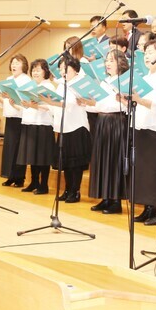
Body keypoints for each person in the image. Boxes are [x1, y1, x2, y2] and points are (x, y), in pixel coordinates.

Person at [121, 39, 156, 226]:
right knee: (141, 171)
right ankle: (147, 208)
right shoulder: (145, 78)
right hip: (140, 126)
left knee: (154, 171)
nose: (147, 55)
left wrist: (139, 100)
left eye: (151, 52)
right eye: (146, 52)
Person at [82, 50, 129, 214]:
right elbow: (98, 105)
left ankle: (116, 201)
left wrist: (122, 99)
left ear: (120, 63)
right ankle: (105, 197)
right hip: (102, 122)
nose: (107, 63)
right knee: (102, 159)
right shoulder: (104, 82)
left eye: (111, 60)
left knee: (114, 160)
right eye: (107, 61)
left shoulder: (125, 81)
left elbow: (129, 106)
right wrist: (86, 102)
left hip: (117, 122)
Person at [47, 56, 91, 203]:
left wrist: (51, 101)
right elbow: (56, 106)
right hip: (64, 127)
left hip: (77, 127)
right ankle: (67, 190)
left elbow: (70, 103)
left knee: (75, 163)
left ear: (75, 70)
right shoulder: (61, 84)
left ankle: (75, 191)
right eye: (60, 69)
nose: (62, 72)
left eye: (66, 69)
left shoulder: (81, 83)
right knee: (65, 162)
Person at [16, 59, 56, 194]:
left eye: (38, 70)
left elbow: (50, 107)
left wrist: (35, 105)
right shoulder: (29, 86)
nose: (35, 72)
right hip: (30, 123)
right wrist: (13, 102)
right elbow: (23, 106)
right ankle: (34, 182)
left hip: (43, 125)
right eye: (33, 70)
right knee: (32, 156)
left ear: (45, 71)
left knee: (43, 157)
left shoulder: (49, 86)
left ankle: (43, 185)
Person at [0, 55, 32, 187]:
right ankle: (10, 176)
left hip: (22, 119)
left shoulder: (27, 81)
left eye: (17, 63)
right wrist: (2, 98)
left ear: (24, 65)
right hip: (10, 117)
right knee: (9, 148)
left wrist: (13, 100)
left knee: (19, 149)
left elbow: (25, 101)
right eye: (12, 62)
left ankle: (19, 178)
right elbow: (6, 101)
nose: (14, 65)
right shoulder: (9, 79)